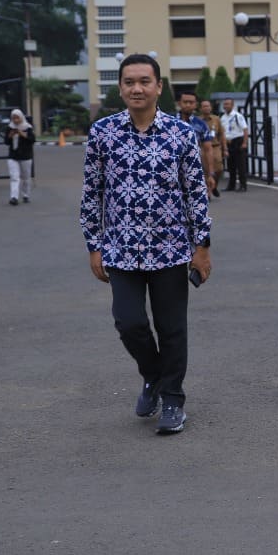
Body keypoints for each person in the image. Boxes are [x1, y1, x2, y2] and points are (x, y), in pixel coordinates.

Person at [83, 55, 212, 435]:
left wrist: (201, 245)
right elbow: (93, 192)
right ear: (120, 87)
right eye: (129, 82)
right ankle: (153, 376)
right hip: (120, 249)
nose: (136, 88)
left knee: (172, 328)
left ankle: (172, 399)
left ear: (158, 86)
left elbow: (196, 193)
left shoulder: (181, 134)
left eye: (144, 81)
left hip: (171, 248)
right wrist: (94, 243)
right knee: (129, 322)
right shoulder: (103, 133)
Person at [4, 108, 36, 205]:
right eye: (13, 118)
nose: (15, 120)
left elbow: (32, 140)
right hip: (13, 156)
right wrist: (10, 135)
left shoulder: (28, 128)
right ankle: (14, 197)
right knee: (14, 177)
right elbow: (6, 142)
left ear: (21, 117)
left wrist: (22, 134)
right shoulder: (10, 127)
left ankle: (25, 194)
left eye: (17, 118)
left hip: (26, 156)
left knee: (25, 177)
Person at [220, 98, 249, 192]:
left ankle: (243, 185)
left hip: (238, 141)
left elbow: (245, 130)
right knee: (230, 165)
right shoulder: (223, 117)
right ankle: (231, 185)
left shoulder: (238, 116)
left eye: (228, 104)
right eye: (225, 104)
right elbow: (222, 132)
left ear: (232, 105)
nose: (226, 106)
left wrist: (244, 143)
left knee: (241, 166)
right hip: (228, 143)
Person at [199, 99, 226, 198]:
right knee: (205, 170)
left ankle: (214, 186)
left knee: (219, 169)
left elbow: (222, 134)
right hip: (203, 147)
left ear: (210, 107)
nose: (206, 108)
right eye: (204, 106)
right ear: (201, 108)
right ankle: (208, 193)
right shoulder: (197, 120)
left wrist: (225, 148)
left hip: (215, 147)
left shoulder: (216, 119)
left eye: (208, 106)